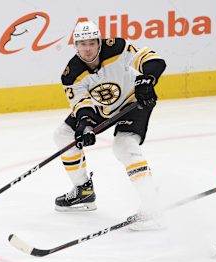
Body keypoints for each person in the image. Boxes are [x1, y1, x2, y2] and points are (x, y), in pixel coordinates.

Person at [53, 20, 166, 231]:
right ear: (75, 46)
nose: (88, 49)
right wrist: (85, 125)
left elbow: (154, 60)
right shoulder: (71, 74)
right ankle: (83, 191)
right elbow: (81, 103)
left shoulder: (118, 48)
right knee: (63, 134)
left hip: (134, 101)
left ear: (99, 42)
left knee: (123, 145)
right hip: (102, 109)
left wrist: (146, 80)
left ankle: (152, 205)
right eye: (82, 44)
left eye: (92, 43)